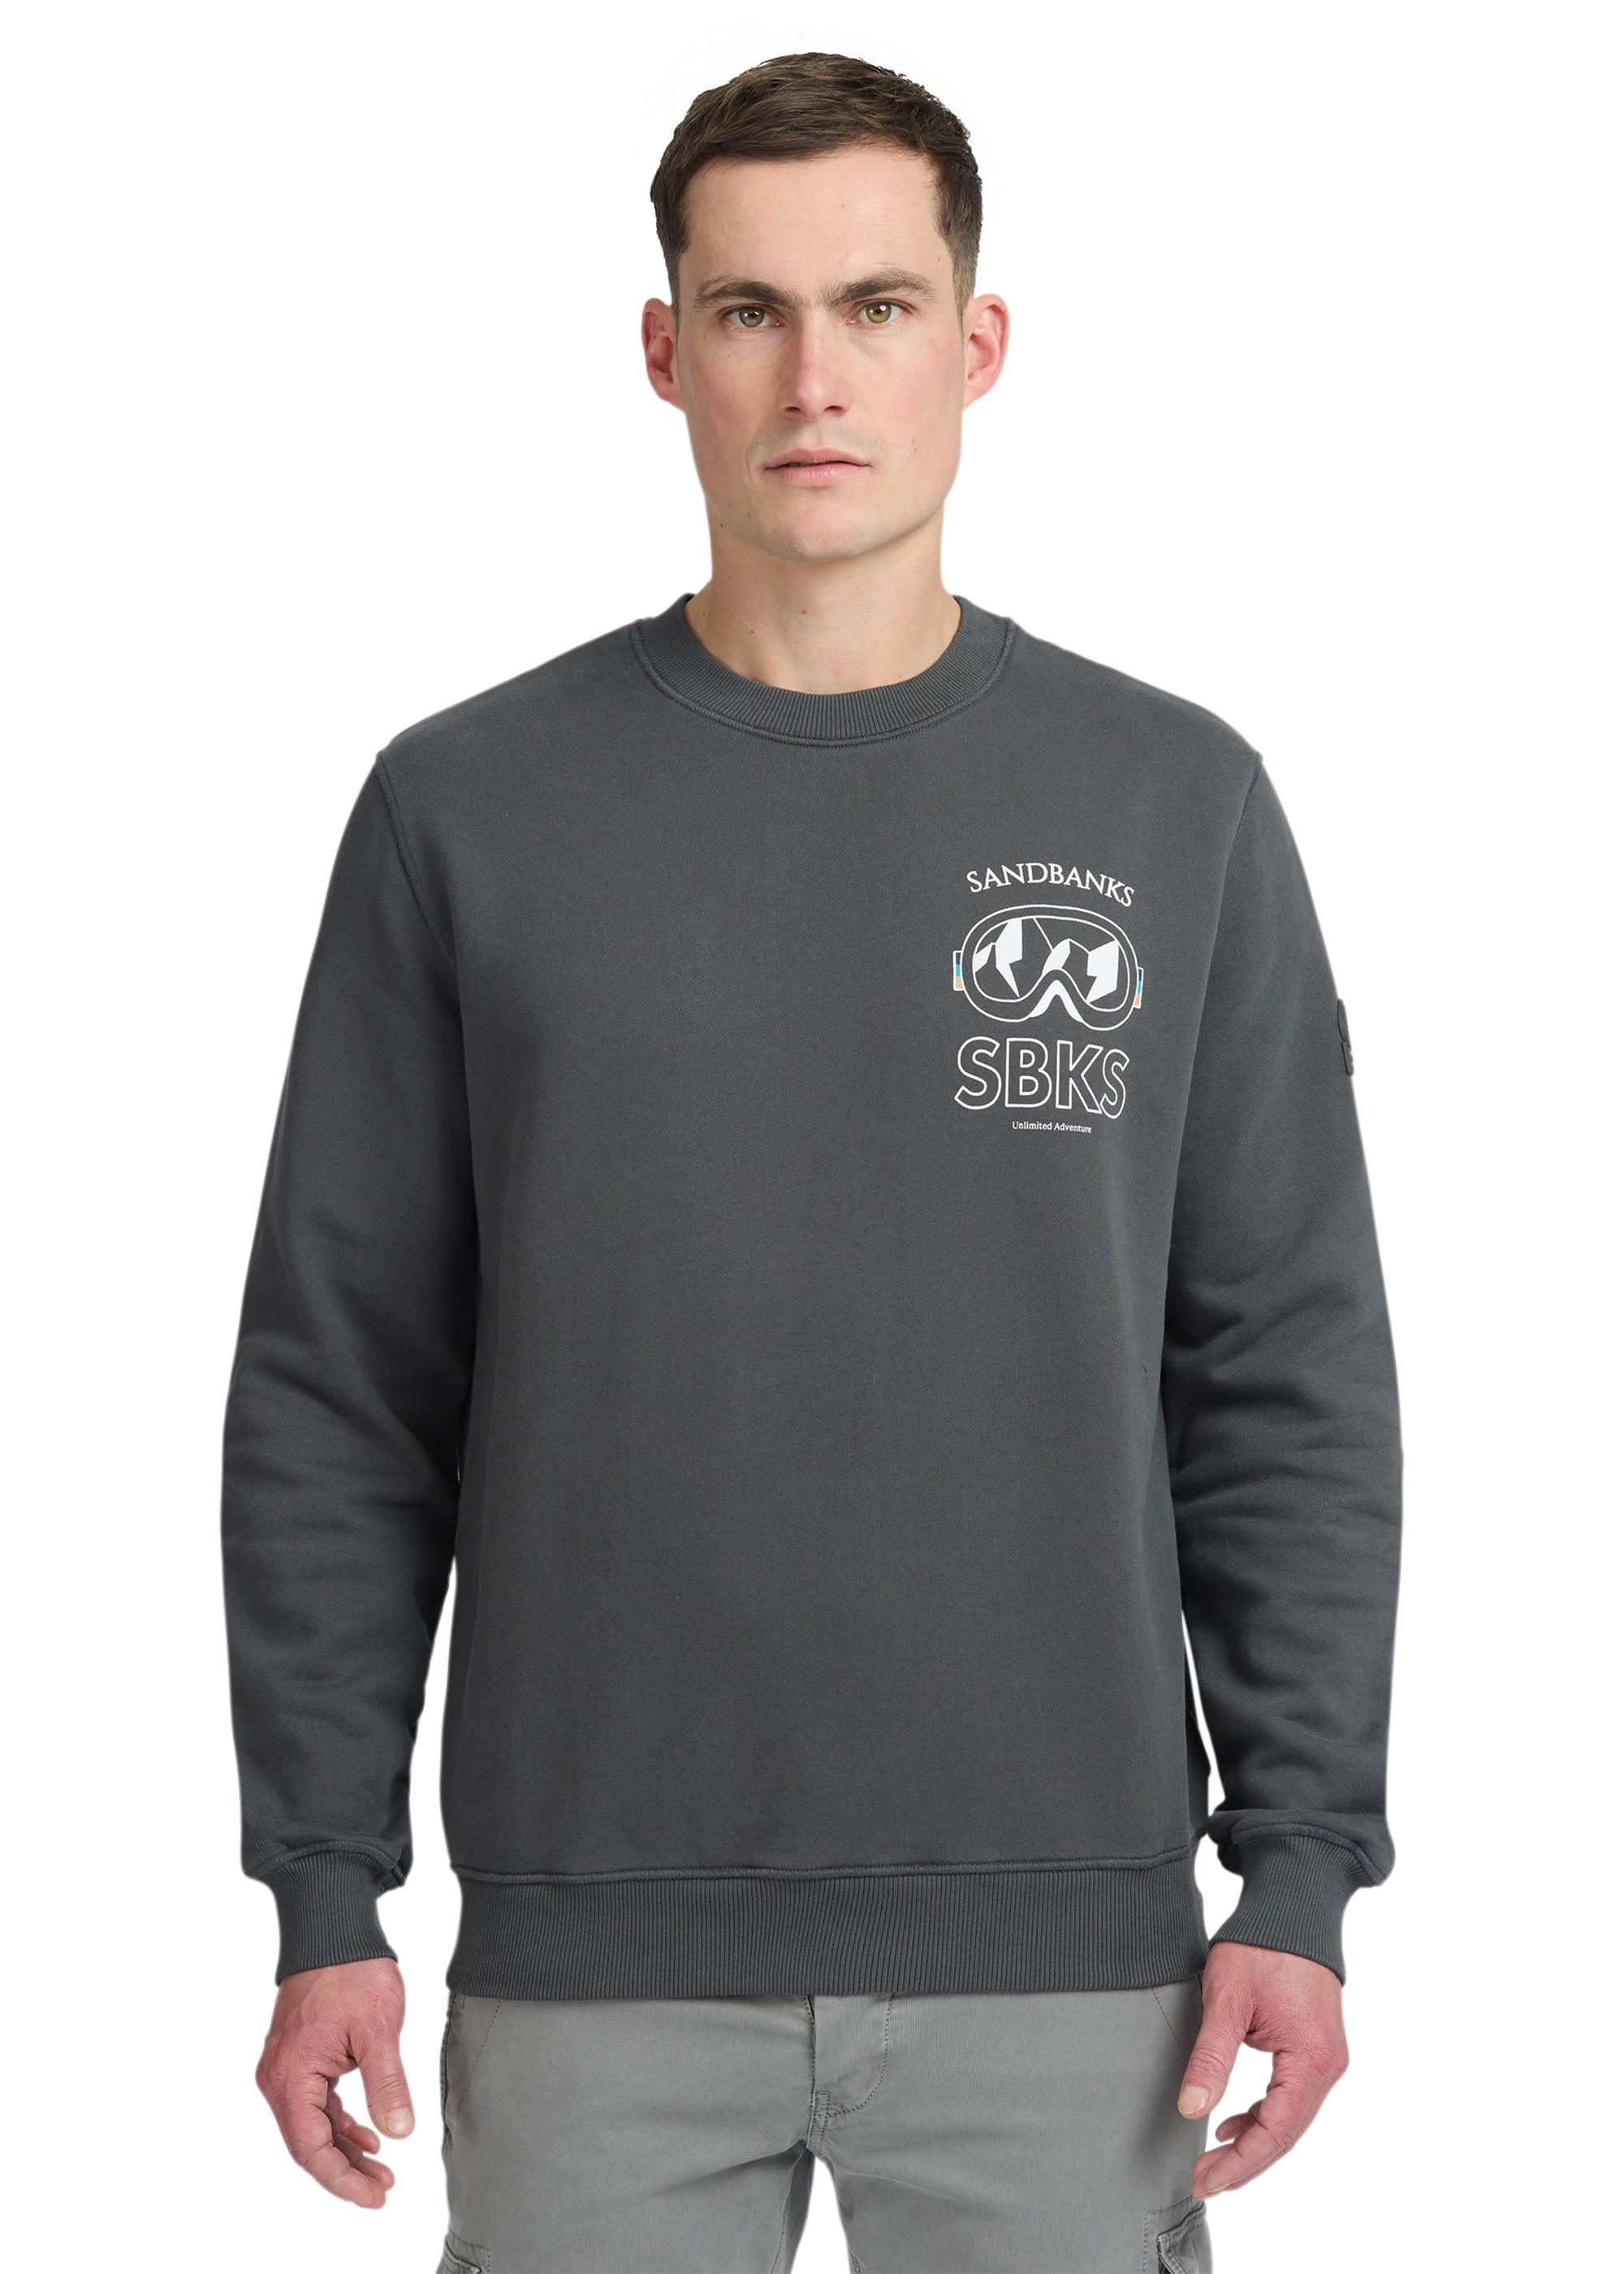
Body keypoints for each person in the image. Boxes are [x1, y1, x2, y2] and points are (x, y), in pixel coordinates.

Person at [221, 32, 1403, 2274]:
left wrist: (1306, 1868)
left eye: (876, 305)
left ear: (978, 343)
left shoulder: (1174, 803)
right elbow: (338, 1391)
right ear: (664, 351)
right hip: (591, 1966)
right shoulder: (468, 809)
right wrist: (325, 1892)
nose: (815, 378)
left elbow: (1284, 1372)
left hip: (1077, 1974)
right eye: (750, 309)